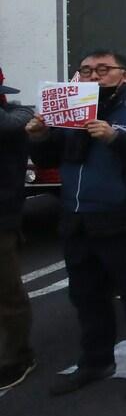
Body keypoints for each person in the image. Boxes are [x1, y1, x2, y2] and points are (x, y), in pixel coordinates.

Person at [26, 51, 126, 398]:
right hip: (77, 218)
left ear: (123, 76)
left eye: (103, 70)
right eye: (87, 70)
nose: (94, 76)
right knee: (86, 296)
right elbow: (50, 159)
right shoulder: (68, 112)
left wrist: (115, 139)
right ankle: (95, 360)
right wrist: (40, 137)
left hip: (123, 218)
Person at [0, 69, 37, 391]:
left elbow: (13, 120)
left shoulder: (14, 119)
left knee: (7, 293)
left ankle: (18, 356)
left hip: (2, 219)